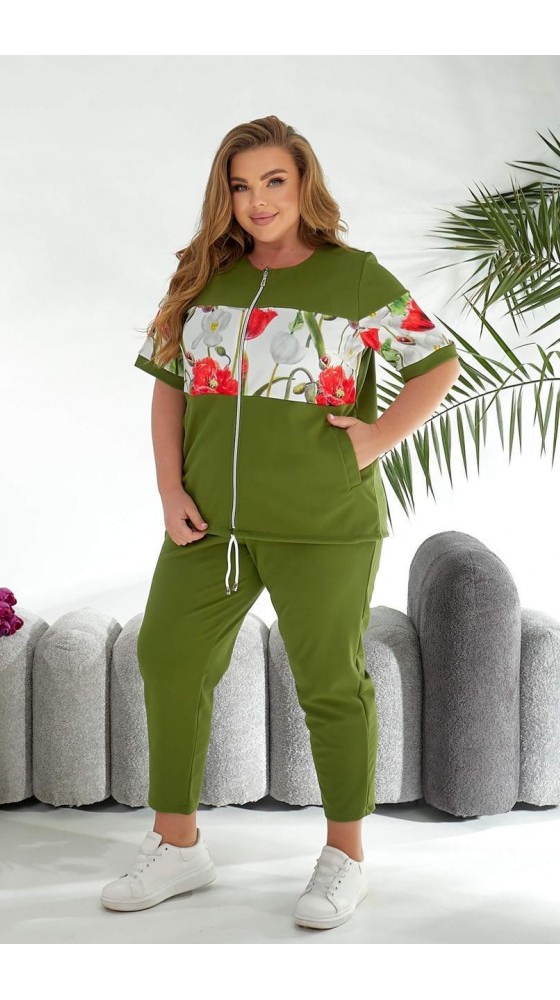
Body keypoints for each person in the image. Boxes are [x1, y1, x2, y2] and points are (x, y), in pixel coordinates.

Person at [101, 115, 461, 929]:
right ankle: (178, 844)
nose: (257, 200)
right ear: (223, 195)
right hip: (209, 526)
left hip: (322, 521)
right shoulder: (203, 279)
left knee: (330, 682)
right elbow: (167, 389)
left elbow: (435, 364)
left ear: (303, 186)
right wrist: (169, 490)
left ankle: (345, 857)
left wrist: (373, 437)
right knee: (167, 656)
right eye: (240, 185)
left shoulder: (353, 276)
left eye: (273, 182)